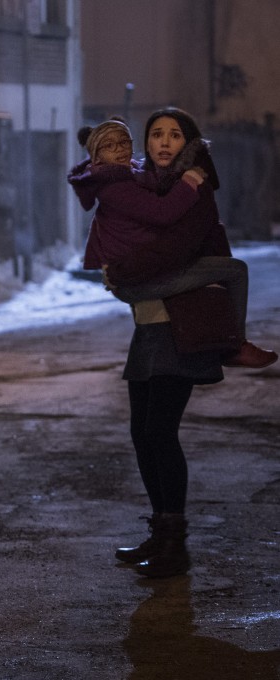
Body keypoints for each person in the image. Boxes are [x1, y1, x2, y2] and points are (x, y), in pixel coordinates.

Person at [103, 108, 266, 578]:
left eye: (175, 134)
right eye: (156, 134)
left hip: (184, 328)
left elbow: (172, 254)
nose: (164, 142)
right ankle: (159, 532)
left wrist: (129, 274)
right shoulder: (142, 190)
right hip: (150, 326)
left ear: (188, 142)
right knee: (141, 434)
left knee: (159, 432)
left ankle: (175, 543)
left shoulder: (196, 190)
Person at [68, 117, 276, 369]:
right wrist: (189, 180)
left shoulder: (126, 174)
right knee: (236, 270)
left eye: (124, 141)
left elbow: (150, 183)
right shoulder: (115, 186)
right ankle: (236, 346)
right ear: (96, 156)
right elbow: (162, 212)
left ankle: (232, 343)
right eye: (110, 146)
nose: (120, 149)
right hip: (138, 280)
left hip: (138, 277)